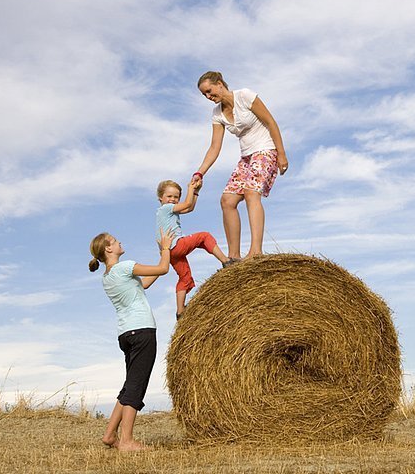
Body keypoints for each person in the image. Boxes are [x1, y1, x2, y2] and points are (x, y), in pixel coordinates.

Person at [89, 228, 174, 452]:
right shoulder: (125, 267)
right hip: (143, 330)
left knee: (130, 384)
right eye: (116, 241)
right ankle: (126, 440)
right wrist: (165, 249)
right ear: (108, 249)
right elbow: (164, 269)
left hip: (126, 334)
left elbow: (143, 284)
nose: (120, 243)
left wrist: (163, 256)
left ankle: (110, 435)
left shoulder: (107, 277)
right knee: (137, 385)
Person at [194, 71, 288, 260]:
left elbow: (270, 122)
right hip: (246, 157)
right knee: (227, 200)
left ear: (220, 83)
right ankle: (234, 257)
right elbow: (214, 147)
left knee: (251, 192)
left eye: (210, 91)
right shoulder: (217, 113)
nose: (209, 97)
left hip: (265, 150)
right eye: (205, 95)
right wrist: (200, 172)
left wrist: (281, 153)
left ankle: (255, 251)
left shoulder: (245, 96)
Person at [156, 178, 232, 319]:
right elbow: (187, 203)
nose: (173, 199)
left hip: (169, 253)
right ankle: (226, 261)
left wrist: (196, 192)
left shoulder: (169, 211)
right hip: (176, 245)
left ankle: (180, 311)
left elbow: (189, 208)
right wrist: (190, 188)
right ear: (160, 198)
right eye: (169, 196)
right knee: (204, 236)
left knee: (185, 278)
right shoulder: (165, 209)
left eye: (176, 197)